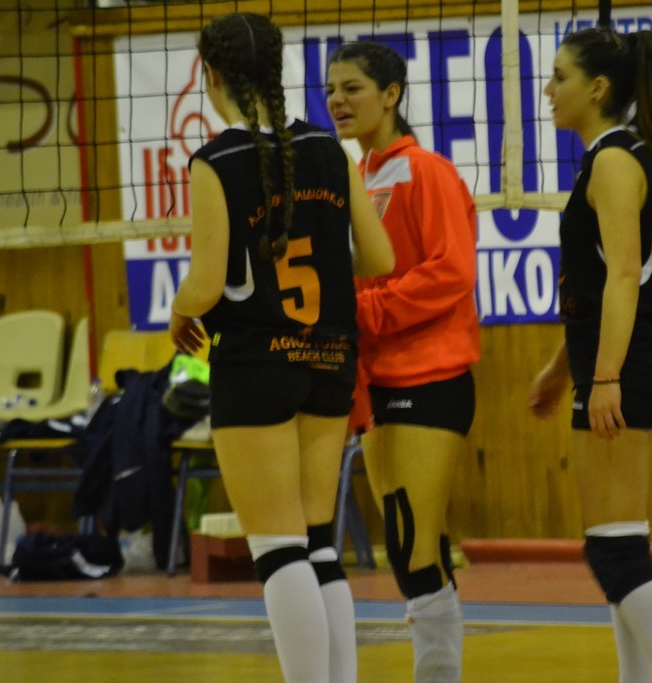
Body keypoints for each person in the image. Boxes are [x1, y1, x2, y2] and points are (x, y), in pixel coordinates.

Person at [169, 13, 394, 683]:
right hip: (329, 359)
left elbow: (206, 283)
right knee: (318, 545)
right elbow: (379, 259)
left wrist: (180, 310)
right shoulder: (330, 150)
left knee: (277, 548)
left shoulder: (215, 162)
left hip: (257, 364)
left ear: (211, 74)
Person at [529, 28, 652, 683]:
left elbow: (626, 277)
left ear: (598, 88)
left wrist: (603, 377)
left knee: (614, 552)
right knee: (618, 543)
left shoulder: (615, 162)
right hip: (622, 365)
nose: (549, 89)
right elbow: (601, 287)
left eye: (560, 76)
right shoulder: (616, 156)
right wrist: (561, 368)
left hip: (626, 371)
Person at [326, 42, 480, 682]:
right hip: (375, 380)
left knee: (416, 549)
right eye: (331, 89)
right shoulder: (353, 180)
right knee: (407, 545)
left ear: (391, 95)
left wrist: (366, 310)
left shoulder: (427, 171)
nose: (337, 100)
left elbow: (453, 271)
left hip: (430, 376)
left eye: (352, 88)